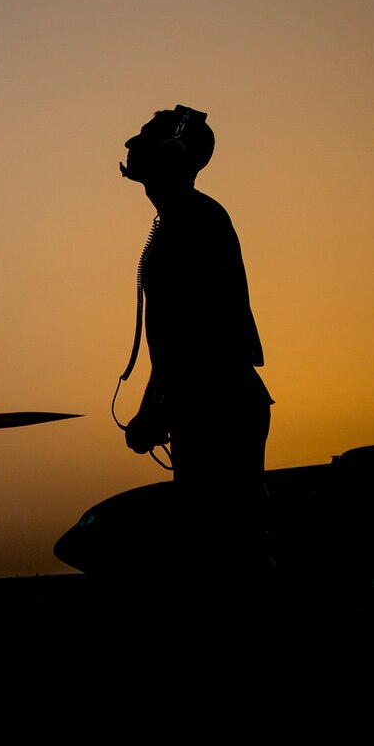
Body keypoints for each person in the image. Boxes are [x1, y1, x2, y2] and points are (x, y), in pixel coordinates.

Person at [117, 105, 273, 581]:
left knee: (223, 554)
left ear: (169, 154)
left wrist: (158, 410)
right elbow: (174, 339)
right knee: (221, 548)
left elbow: (197, 330)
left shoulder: (189, 221)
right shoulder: (181, 220)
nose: (129, 146)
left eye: (144, 138)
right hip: (210, 402)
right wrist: (156, 406)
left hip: (217, 405)